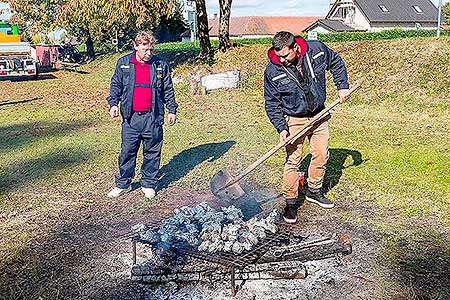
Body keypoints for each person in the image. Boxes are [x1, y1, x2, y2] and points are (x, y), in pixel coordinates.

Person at [264, 31, 350, 223]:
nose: (282, 60)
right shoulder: (272, 71)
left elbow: (335, 61)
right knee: (293, 160)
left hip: (319, 114)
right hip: (295, 119)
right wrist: (282, 128)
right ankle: (291, 203)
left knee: (321, 153)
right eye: (279, 56)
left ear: (295, 47)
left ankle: (314, 191)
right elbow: (271, 103)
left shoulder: (316, 50)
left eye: (285, 55)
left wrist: (342, 86)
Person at [107, 31, 178, 199]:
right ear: (136, 46)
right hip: (131, 118)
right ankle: (123, 184)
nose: (149, 53)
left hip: (152, 117)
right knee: (127, 151)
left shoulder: (160, 65)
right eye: (145, 49)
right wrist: (113, 104)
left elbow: (167, 88)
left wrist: (172, 110)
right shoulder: (124, 63)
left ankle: (148, 183)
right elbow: (116, 85)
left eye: (151, 49)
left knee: (152, 151)